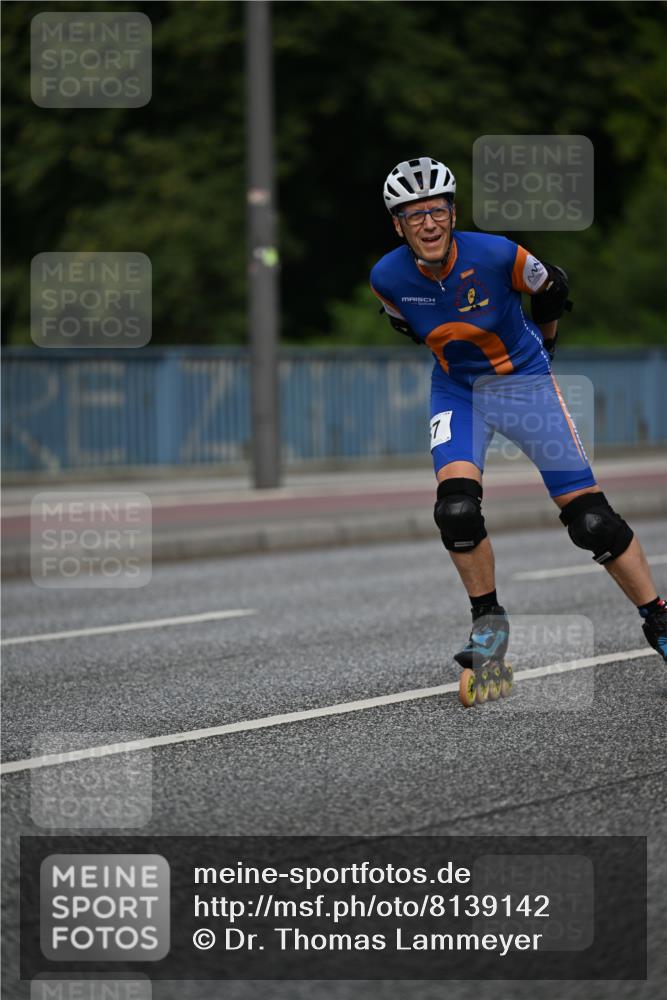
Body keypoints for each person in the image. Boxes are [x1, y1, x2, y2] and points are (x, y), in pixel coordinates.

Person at [370, 156, 666, 705]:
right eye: (414, 216)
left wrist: (545, 344)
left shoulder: (498, 254)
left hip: (525, 384)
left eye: (437, 211)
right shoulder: (386, 277)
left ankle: (659, 620)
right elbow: (411, 326)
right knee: (455, 509)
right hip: (459, 392)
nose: (428, 224)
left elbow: (553, 286)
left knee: (592, 521)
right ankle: (489, 623)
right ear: (398, 225)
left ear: (453, 213)